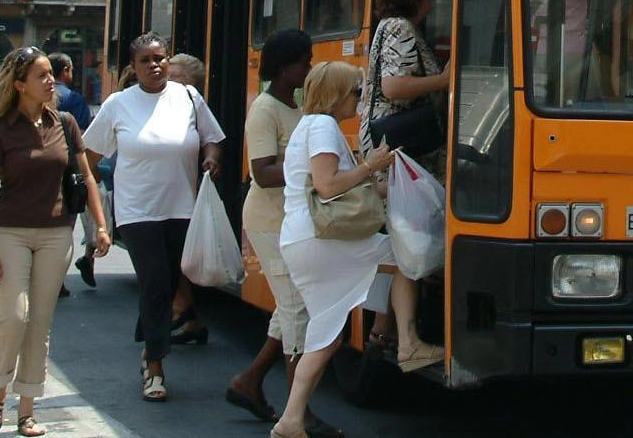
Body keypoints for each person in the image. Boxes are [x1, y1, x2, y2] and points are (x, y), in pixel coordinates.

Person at [270, 61, 441, 438]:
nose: (360, 101)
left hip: (303, 239)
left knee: (326, 337)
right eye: (355, 93)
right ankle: (408, 343)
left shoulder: (307, 127)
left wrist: (388, 180)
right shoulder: (324, 126)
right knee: (401, 256)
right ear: (336, 95)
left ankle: (291, 420)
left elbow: (334, 188)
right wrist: (371, 165)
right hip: (319, 239)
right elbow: (329, 186)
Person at [81, 33, 224, 403]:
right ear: (135, 66)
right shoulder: (119, 104)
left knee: (170, 280)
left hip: (182, 207)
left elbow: (212, 137)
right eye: (146, 60)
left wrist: (211, 158)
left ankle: (149, 344)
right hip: (137, 211)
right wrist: (97, 198)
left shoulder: (189, 97)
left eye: (160, 58)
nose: (154, 65)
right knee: (156, 281)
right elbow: (89, 156)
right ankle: (155, 365)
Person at [0, 46, 111, 436]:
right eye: (41, 75)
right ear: (20, 84)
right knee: (14, 316)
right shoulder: (0, 130)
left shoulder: (65, 122)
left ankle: (28, 408)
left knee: (40, 323)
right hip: (11, 231)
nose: (51, 79)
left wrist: (100, 227)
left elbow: (87, 177)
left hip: (57, 233)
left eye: (51, 73)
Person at [225, 30, 340, 438]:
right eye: (304, 61)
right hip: (269, 223)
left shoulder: (298, 106)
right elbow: (262, 170)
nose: (308, 67)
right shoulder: (265, 110)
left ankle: (249, 381)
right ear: (285, 65)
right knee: (297, 312)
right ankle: (299, 414)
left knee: (291, 306)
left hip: (293, 221)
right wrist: (315, 174)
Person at [358, 0, 450, 174]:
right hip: (394, 145)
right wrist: (443, 81)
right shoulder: (399, 27)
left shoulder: (390, 25)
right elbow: (392, 87)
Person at [165, 52, 210, 344]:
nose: (169, 82)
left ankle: (181, 311)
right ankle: (188, 316)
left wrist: (211, 160)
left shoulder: (194, 105)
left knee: (174, 257)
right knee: (171, 258)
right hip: (157, 195)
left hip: (183, 194)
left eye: (177, 77)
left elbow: (212, 139)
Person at [50, 53, 96, 291]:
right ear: (66, 70)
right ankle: (57, 279)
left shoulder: (33, 96)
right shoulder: (74, 100)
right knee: (66, 225)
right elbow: (83, 136)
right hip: (69, 171)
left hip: (41, 172)